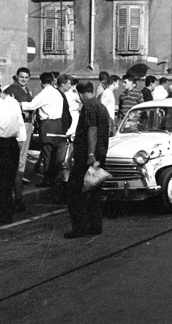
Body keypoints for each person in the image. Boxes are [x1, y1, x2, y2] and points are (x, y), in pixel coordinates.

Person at [64, 82, 110, 239]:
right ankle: (95, 225)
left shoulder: (89, 106)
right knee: (94, 191)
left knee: (75, 192)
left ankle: (79, 227)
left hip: (87, 157)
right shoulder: (101, 107)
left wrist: (90, 154)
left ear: (80, 94)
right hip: (100, 155)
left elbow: (92, 130)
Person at [21, 72, 66, 188]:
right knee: (54, 153)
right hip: (58, 124)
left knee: (47, 152)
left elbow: (31, 105)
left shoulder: (45, 93)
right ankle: (53, 178)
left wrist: (18, 104)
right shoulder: (57, 93)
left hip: (47, 124)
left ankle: (47, 179)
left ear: (41, 82)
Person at [3, 67, 34, 212]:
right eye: (21, 77)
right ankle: (17, 198)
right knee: (16, 164)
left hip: (24, 127)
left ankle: (16, 198)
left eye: (26, 77)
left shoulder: (26, 90)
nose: (23, 79)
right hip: (18, 129)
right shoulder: (11, 91)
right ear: (16, 76)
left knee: (19, 163)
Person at [0, 88, 24, 224]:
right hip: (12, 143)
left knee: (3, 180)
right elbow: (20, 125)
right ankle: (7, 212)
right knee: (7, 180)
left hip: (3, 143)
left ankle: (4, 213)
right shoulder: (13, 102)